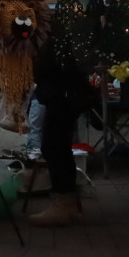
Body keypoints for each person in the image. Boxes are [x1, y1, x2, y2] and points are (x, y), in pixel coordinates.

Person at [28, 44, 95, 226]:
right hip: (61, 93)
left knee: (54, 146)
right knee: (57, 146)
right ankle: (67, 201)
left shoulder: (53, 39)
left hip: (61, 94)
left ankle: (64, 203)